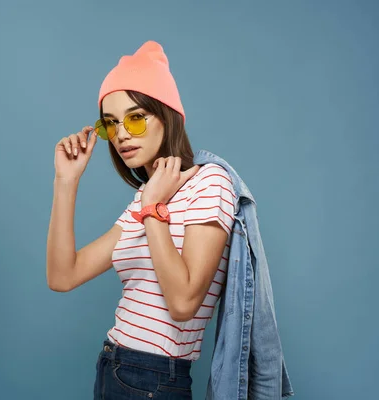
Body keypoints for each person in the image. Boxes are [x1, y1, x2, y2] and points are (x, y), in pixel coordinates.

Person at [46, 41, 236, 399]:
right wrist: (66, 182)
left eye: (135, 118)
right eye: (110, 123)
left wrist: (153, 208)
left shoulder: (209, 183)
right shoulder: (145, 197)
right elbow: (62, 276)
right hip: (112, 366)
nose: (120, 135)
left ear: (166, 116)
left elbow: (183, 304)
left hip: (154, 380)